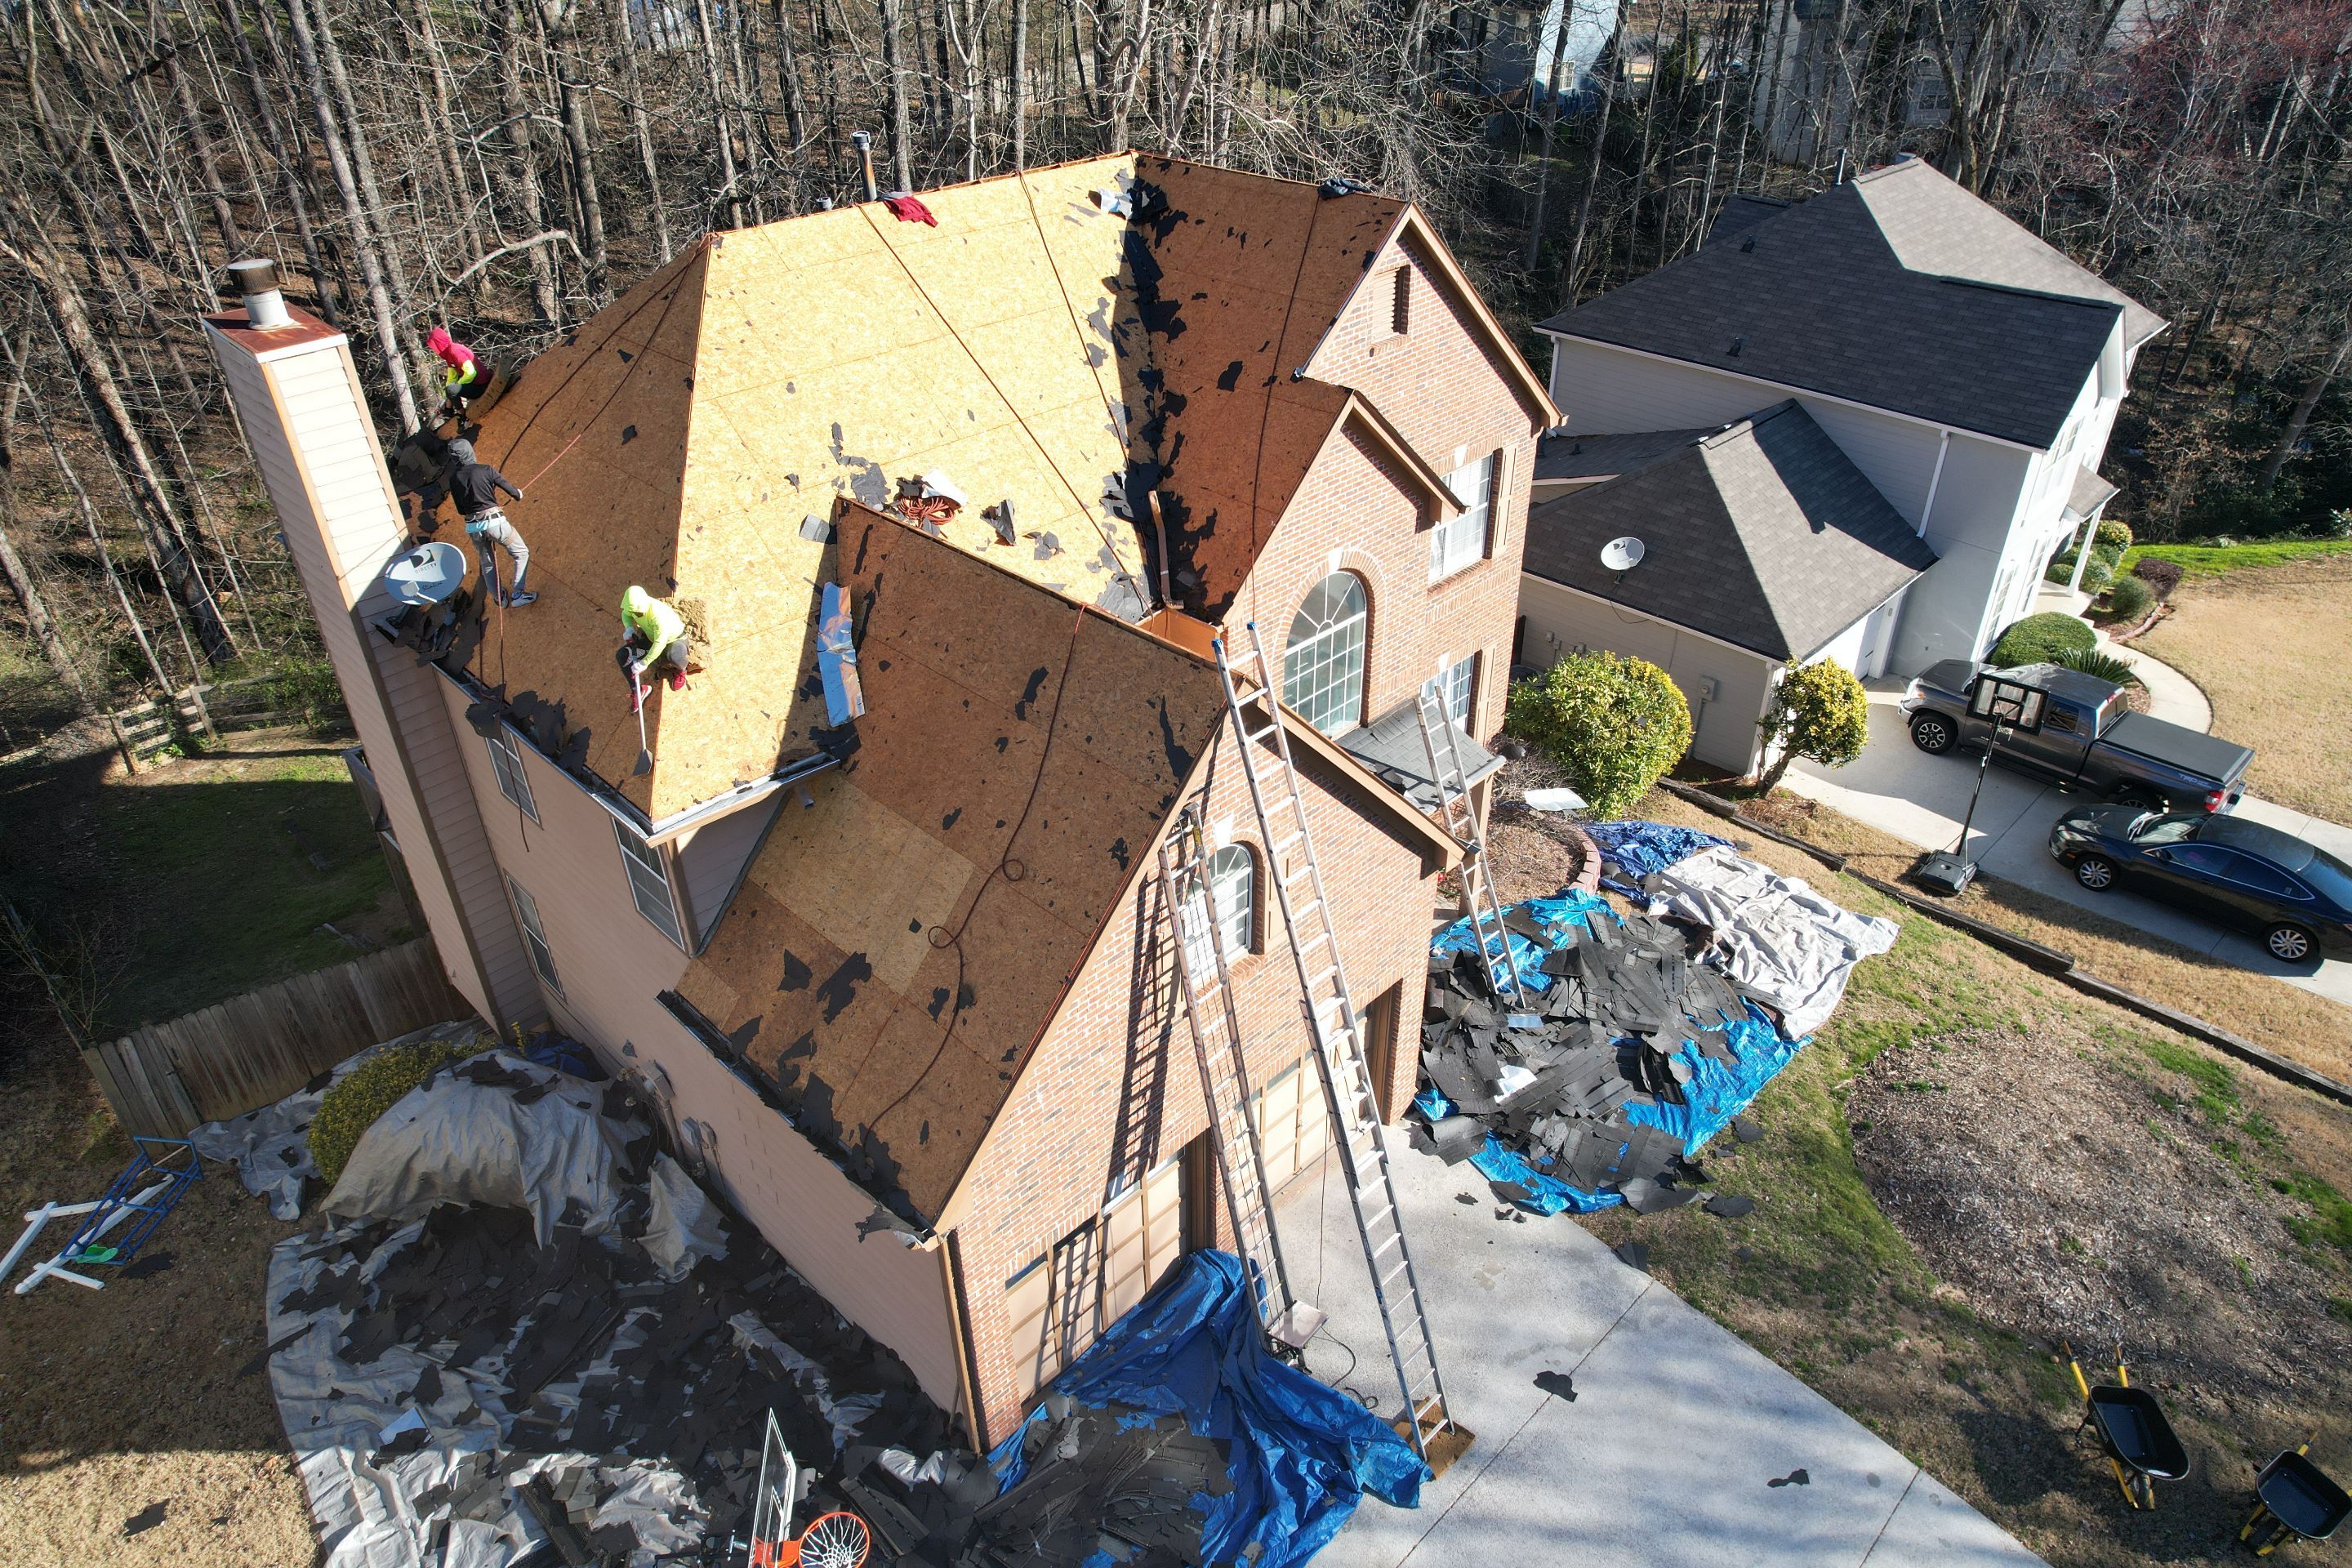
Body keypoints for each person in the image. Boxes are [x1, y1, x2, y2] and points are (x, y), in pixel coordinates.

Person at [447, 438, 534, 607]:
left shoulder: (454, 479)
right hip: (496, 525)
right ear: (469, 452)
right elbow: (514, 493)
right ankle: (518, 595)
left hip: (473, 529)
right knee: (521, 553)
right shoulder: (485, 470)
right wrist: (518, 494)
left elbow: (461, 510)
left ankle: (500, 599)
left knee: (487, 565)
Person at [620, 586, 690, 692]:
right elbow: (625, 614)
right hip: (652, 637)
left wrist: (644, 663)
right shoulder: (634, 608)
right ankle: (637, 690)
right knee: (623, 655)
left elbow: (660, 643)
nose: (636, 615)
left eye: (638, 613)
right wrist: (629, 628)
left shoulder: (658, 616)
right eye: (634, 612)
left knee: (674, 656)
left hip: (674, 639)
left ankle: (682, 671)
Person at [426, 326, 481, 416]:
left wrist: (455, 387)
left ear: (439, 343)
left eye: (435, 347)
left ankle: (463, 416)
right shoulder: (448, 356)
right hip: (474, 385)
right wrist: (443, 400)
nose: (435, 351)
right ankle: (448, 411)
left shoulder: (454, 351)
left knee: (452, 389)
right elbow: (451, 379)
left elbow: (471, 372)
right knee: (450, 389)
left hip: (480, 384)